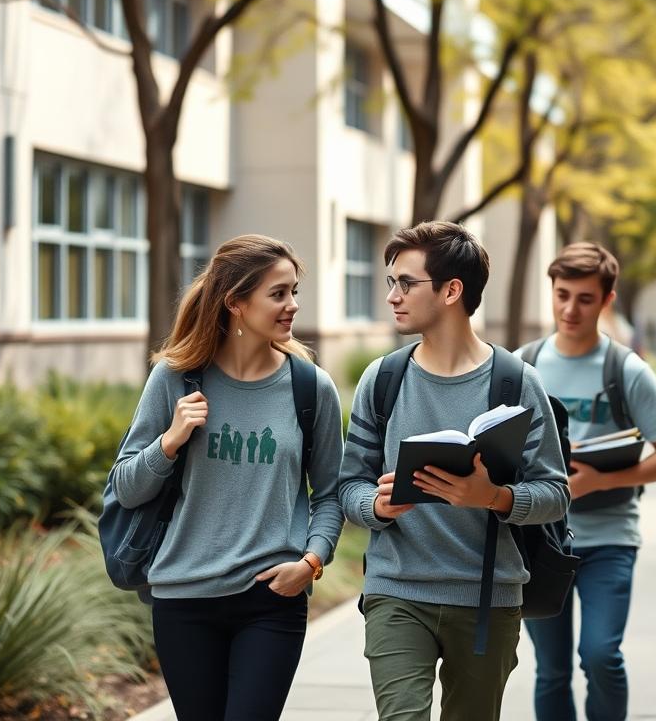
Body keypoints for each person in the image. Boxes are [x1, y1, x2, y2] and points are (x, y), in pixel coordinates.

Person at [338, 221, 570, 721]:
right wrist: (375, 506)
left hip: (487, 597)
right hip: (396, 591)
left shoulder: (516, 382)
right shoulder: (383, 380)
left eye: (406, 283)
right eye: (391, 283)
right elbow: (348, 486)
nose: (392, 296)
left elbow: (555, 492)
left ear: (451, 290)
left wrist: (493, 497)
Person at [109, 235, 345, 720]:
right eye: (278, 294)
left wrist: (313, 561)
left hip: (271, 597)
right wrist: (170, 441)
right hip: (184, 597)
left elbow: (331, 492)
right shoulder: (176, 378)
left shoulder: (309, 387)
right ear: (236, 302)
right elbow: (126, 487)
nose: (292, 305)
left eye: (294, 292)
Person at [517, 242, 656, 721]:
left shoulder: (626, 370)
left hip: (610, 537)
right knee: (550, 670)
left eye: (585, 298)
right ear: (549, 291)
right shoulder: (521, 366)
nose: (570, 308)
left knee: (600, 655)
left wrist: (600, 480)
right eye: (562, 294)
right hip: (539, 541)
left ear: (607, 300)